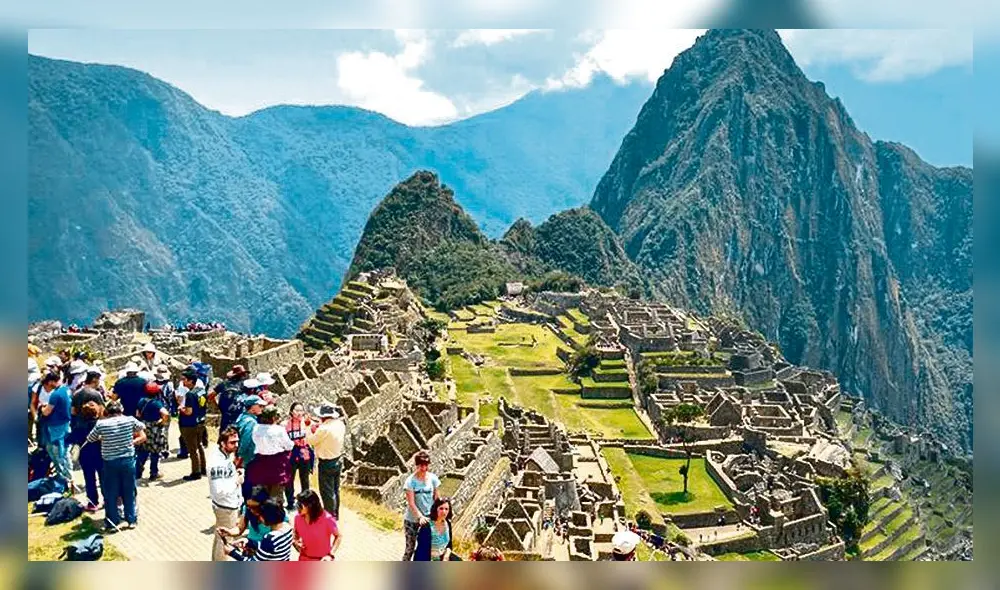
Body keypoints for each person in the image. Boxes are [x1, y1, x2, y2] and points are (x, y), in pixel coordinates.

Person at [85, 400, 146, 532]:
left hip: (109, 461)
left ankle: (112, 522)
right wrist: (131, 442)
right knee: (129, 490)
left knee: (111, 492)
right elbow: (142, 428)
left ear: (107, 412)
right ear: (121, 410)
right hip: (127, 460)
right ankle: (131, 520)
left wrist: (105, 438)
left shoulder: (101, 424)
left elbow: (90, 438)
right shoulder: (129, 420)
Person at [70, 370, 106, 512]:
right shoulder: (96, 394)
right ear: (95, 380)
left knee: (88, 475)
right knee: (102, 473)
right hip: (97, 440)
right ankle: (107, 499)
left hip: (81, 437)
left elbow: (73, 412)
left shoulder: (77, 394)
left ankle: (92, 502)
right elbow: (103, 412)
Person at [208, 427, 243, 561]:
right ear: (222, 443)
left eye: (237, 441)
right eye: (232, 442)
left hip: (228, 504)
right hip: (225, 507)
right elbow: (219, 491)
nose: (236, 445)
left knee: (220, 538)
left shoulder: (225, 455)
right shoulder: (218, 463)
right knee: (225, 542)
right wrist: (236, 481)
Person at [306, 404, 346, 518]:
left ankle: (329, 515)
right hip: (337, 459)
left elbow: (311, 441)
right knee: (335, 489)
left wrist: (309, 427)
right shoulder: (340, 424)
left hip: (326, 462)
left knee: (326, 491)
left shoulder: (323, 429)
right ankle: (335, 513)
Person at [248, 406, 293, 501]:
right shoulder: (279, 430)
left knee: (262, 491)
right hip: (277, 463)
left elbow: (254, 440)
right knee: (276, 493)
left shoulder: (256, 428)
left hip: (261, 462)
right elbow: (289, 445)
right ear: (273, 418)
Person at [401, 450, 440, 561]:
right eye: (421, 465)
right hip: (412, 520)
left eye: (426, 465)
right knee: (410, 549)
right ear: (416, 465)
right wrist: (420, 517)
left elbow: (436, 498)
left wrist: (440, 515)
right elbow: (411, 502)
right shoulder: (410, 482)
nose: (424, 468)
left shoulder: (433, 479)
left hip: (428, 519)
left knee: (426, 548)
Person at [224, 499, 293, 561]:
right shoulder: (287, 527)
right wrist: (249, 542)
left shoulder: (270, 538)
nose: (259, 518)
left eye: (261, 515)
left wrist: (232, 553)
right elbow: (270, 548)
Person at [39, 372, 74, 492]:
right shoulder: (66, 390)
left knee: (60, 454)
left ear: (50, 382)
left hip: (56, 428)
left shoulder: (55, 394)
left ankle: (66, 480)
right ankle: (66, 478)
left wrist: (42, 408)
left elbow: (46, 412)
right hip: (65, 425)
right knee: (63, 453)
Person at [292, 489, 342, 561]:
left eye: (300, 505)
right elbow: (296, 534)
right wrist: (295, 542)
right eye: (297, 504)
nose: (297, 507)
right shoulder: (298, 518)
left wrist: (331, 555)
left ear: (310, 506)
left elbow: (338, 536)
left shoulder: (327, 519)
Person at [135, 381, 170, 481]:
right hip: (155, 428)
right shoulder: (156, 403)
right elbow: (166, 414)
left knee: (143, 450)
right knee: (155, 451)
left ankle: (138, 472)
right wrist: (162, 421)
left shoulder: (141, 401)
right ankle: (153, 473)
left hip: (144, 427)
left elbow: (137, 414)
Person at [178, 368, 208, 481]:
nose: (182, 382)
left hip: (190, 424)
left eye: (184, 380)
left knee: (192, 449)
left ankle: (196, 472)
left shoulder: (190, 394)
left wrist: (181, 409)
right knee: (199, 445)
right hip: (200, 422)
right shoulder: (201, 391)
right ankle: (203, 468)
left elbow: (189, 411)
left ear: (191, 381)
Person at [284, 402, 314, 511]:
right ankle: (290, 501)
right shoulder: (285, 425)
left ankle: (305, 502)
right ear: (291, 412)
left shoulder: (306, 423)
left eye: (301, 410)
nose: (299, 413)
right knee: (289, 479)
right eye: (297, 410)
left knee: (305, 479)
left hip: (304, 452)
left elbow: (315, 431)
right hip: (291, 453)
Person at [234, 395, 265, 499]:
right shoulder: (251, 422)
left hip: (246, 458)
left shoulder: (242, 417)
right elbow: (246, 440)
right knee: (250, 485)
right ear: (252, 408)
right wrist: (240, 456)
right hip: (249, 458)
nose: (262, 408)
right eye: (259, 406)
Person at [414, 497, 458, 561]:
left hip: (443, 557)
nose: (444, 511)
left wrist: (446, 556)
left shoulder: (448, 523)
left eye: (446, 509)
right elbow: (422, 551)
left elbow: (449, 545)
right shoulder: (426, 526)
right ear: (436, 509)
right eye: (441, 508)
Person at [211, 364, 247, 432]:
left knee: (224, 434)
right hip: (239, 415)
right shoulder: (244, 385)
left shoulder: (224, 384)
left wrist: (217, 406)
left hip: (226, 415)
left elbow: (211, 395)